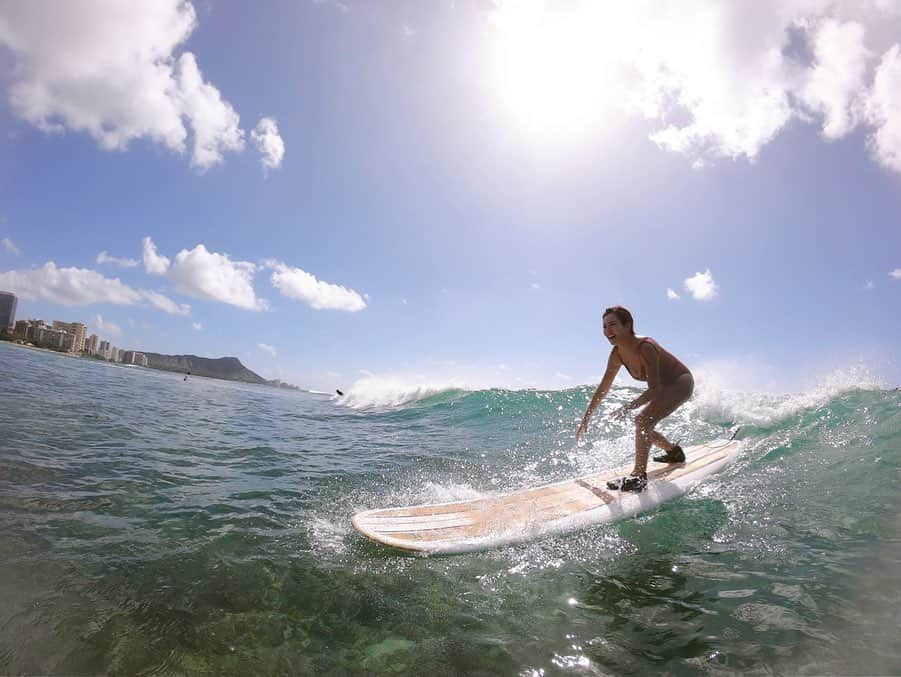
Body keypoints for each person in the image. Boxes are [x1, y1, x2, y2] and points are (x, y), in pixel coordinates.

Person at [575, 306, 693, 492]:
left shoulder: (646, 347)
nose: (608, 331)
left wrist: (627, 407)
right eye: (604, 327)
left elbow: (654, 389)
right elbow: (603, 388)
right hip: (663, 387)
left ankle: (639, 477)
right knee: (643, 423)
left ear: (628, 325)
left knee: (643, 421)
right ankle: (674, 452)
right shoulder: (617, 354)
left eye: (613, 324)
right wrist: (587, 417)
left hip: (680, 382)